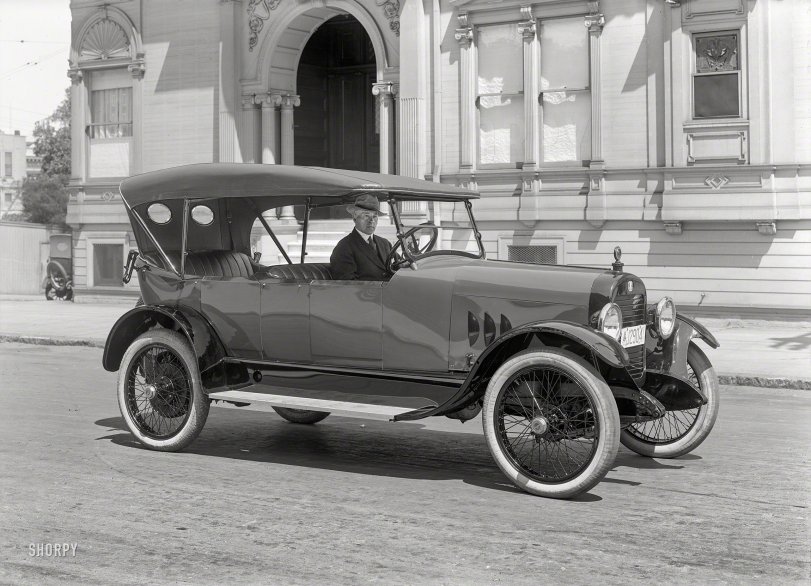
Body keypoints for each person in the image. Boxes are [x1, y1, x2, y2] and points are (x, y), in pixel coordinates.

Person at [330, 193, 393, 280]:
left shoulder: (385, 244)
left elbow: (397, 268)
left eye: (375, 216)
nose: (371, 221)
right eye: (366, 215)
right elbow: (348, 285)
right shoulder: (344, 247)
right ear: (355, 216)